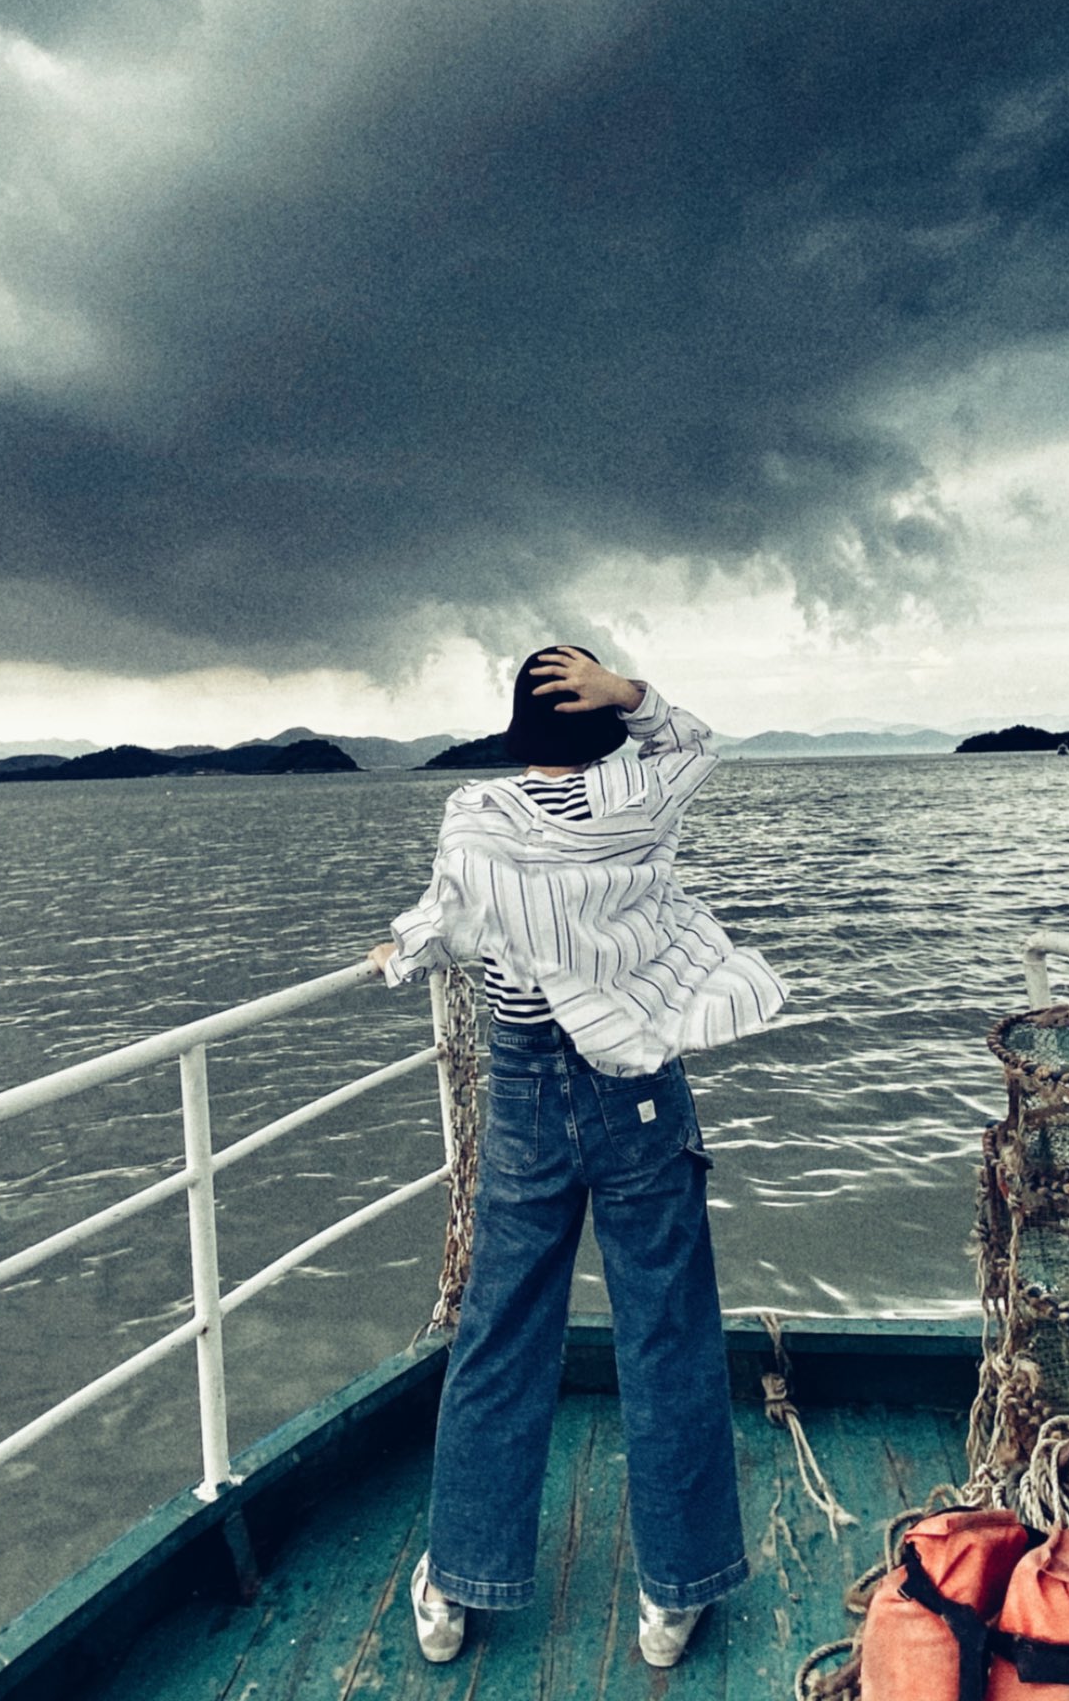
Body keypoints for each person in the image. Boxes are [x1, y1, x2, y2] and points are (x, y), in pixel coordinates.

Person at [366, 646, 786, 1670]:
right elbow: (692, 741)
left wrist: (397, 949)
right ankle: (672, 1592)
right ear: (599, 719)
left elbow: (448, 925)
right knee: (668, 1328)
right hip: (637, 1082)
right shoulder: (640, 795)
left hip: (524, 1084)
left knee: (502, 1327)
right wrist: (631, 694)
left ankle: (457, 1580)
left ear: (518, 730)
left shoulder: (478, 815)